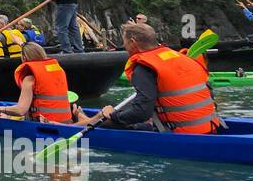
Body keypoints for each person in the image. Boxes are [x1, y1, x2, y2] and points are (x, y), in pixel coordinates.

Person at [79, 21, 221, 134]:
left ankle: (83, 122)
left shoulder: (144, 68)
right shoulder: (181, 57)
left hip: (178, 134)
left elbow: (141, 112)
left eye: (125, 42)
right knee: (134, 119)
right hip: (211, 127)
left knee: (112, 118)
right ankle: (87, 119)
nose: (125, 46)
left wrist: (113, 116)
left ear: (133, 42)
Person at [0, 43, 78, 123]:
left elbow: (21, 110)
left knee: (0, 113)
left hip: (43, 123)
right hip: (66, 121)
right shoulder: (59, 71)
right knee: (11, 115)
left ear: (24, 58)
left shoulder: (29, 79)